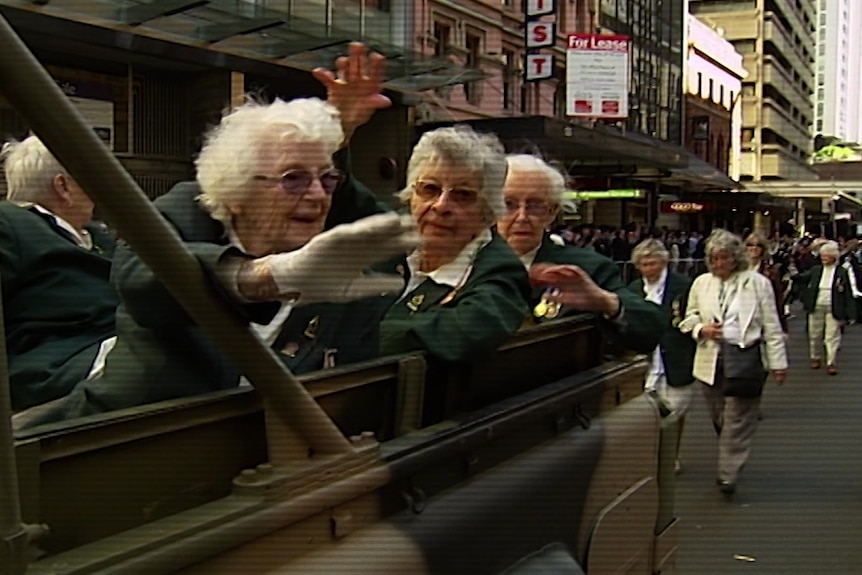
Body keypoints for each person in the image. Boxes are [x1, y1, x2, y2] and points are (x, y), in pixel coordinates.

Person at [13, 43, 415, 426]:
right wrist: (267, 276)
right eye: (293, 179)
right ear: (237, 191)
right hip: (130, 435)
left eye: (327, 179)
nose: (316, 195)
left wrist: (337, 127)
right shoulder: (189, 210)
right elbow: (140, 276)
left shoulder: (344, 253)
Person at [374, 126, 530, 363]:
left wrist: (356, 336)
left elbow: (456, 336)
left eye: (463, 195)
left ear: (487, 210)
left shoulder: (502, 273)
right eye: (430, 189)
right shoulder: (388, 245)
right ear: (411, 195)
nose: (441, 205)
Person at [497, 154, 664, 354]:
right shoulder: (464, 262)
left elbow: (651, 330)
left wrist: (606, 302)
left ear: (552, 212)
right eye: (509, 204)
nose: (522, 217)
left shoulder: (587, 267)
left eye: (535, 205)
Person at [0, 135, 119, 411]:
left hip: (123, 341)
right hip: (60, 364)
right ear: (63, 186)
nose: (97, 189)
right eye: (89, 178)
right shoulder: (10, 223)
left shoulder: (97, 237)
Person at [679, 229, 788, 496]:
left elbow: (771, 325)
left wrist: (778, 363)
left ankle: (728, 473)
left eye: (724, 258)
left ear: (735, 258)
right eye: (713, 259)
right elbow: (688, 317)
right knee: (720, 418)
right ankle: (730, 449)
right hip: (710, 358)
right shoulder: (701, 283)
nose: (718, 264)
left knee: (738, 417)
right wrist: (701, 329)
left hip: (745, 357)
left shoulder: (757, 283)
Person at [628, 239, 696, 474]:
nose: (648, 269)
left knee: (675, 413)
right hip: (646, 361)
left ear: (664, 261)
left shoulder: (683, 286)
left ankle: (671, 456)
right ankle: (650, 457)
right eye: (643, 264)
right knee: (646, 414)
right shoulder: (633, 290)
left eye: (652, 263)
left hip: (676, 359)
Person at [798, 240, 856, 375]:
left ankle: (831, 362)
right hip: (816, 305)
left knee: (832, 336)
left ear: (834, 257)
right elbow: (802, 278)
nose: (823, 258)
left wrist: (850, 313)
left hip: (834, 306)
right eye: (822, 255)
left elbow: (847, 293)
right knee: (815, 333)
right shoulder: (816, 270)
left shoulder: (841, 272)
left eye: (826, 256)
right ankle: (815, 357)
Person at [745, 232, 788, 334]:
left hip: (762, 316)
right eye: (750, 244)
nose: (754, 248)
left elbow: (778, 298)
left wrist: (783, 327)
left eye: (758, 245)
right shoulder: (737, 270)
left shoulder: (770, 272)